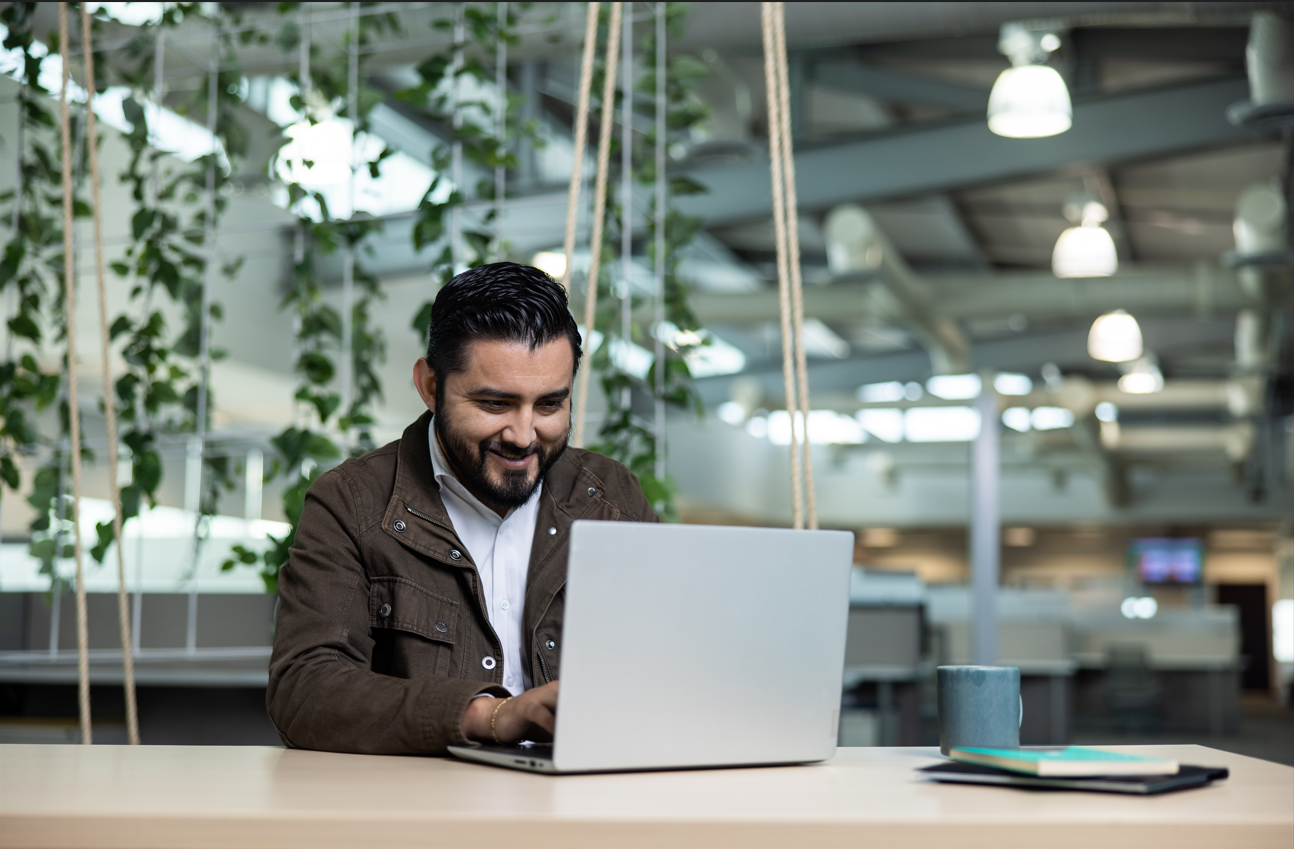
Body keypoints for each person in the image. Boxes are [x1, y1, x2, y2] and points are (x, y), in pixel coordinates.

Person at [267, 263, 659, 754]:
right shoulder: (352, 503)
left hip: (580, 806)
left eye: (549, 406)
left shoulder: (611, 498)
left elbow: (669, 665)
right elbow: (305, 691)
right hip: (422, 815)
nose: (522, 435)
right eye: (495, 404)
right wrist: (489, 715)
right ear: (431, 386)